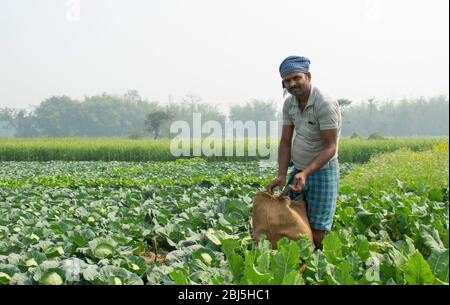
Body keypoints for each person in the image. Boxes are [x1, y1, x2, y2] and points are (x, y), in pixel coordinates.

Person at [266, 55, 342, 249]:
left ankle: (318, 269)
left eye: (296, 78)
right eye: (287, 80)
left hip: (322, 171)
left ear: (307, 76)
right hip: (299, 170)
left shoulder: (324, 103)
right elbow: (285, 142)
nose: (292, 84)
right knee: (293, 222)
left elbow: (330, 147)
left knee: (317, 231)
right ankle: (298, 267)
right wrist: (282, 175)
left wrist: (306, 173)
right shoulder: (289, 103)